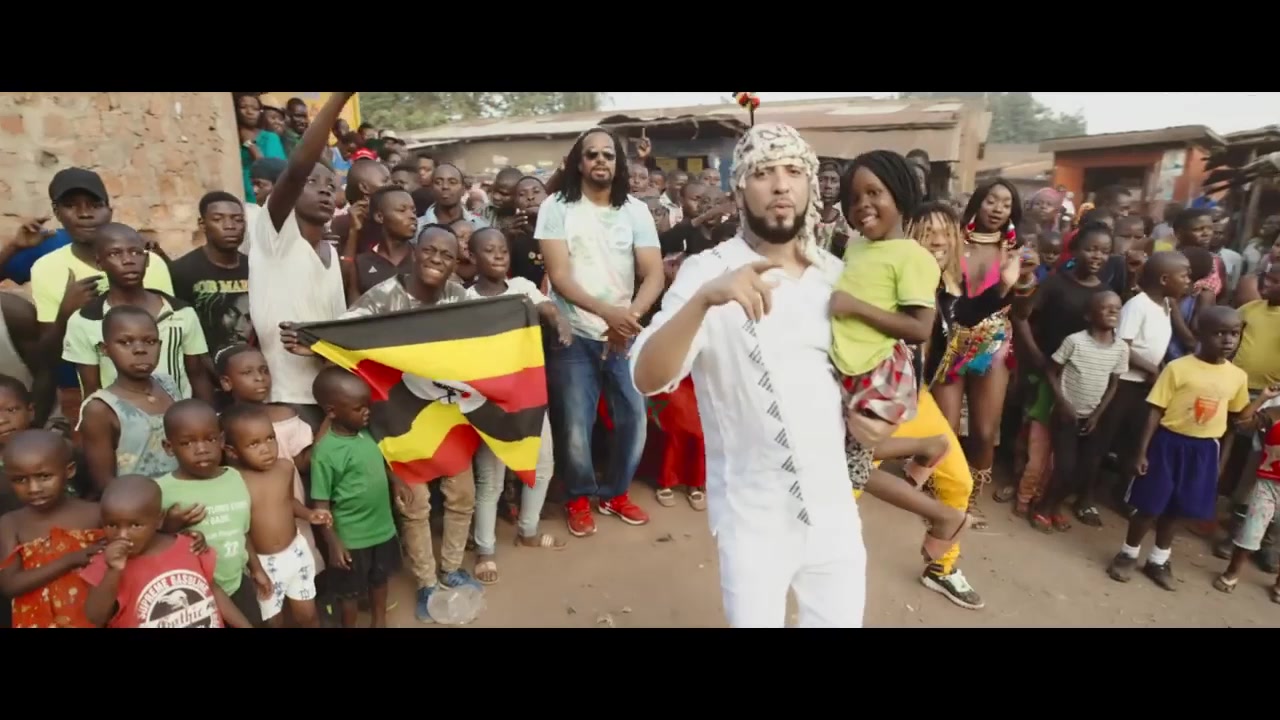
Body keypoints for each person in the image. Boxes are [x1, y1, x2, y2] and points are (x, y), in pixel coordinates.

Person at [630, 122, 866, 628]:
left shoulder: (835, 274)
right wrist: (703, 301)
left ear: (809, 185)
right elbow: (646, 377)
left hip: (834, 511)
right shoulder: (707, 271)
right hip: (751, 517)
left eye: (793, 171)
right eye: (763, 173)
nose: (780, 185)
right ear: (739, 190)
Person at [536, 127, 665, 537]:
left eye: (608, 154)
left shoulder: (635, 211)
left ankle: (615, 493)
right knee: (575, 424)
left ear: (617, 162)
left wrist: (629, 318)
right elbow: (559, 277)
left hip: (623, 335)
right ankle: (578, 498)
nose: (600, 161)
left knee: (634, 419)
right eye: (591, 154)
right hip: (573, 333)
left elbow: (654, 274)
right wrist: (608, 314)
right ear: (579, 162)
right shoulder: (556, 207)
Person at [1107, 306, 1256, 590]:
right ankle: (1128, 554)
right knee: (1148, 505)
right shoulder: (1178, 368)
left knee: (1177, 509)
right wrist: (1142, 451)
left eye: (1234, 334)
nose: (1228, 340)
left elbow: (1234, 423)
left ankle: (1159, 560)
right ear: (1200, 334)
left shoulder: (1237, 377)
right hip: (1168, 443)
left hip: (1204, 450)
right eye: (1219, 333)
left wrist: (1220, 463)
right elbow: (1155, 410)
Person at [828, 150, 938, 491]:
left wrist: (855, 307)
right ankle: (927, 447)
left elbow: (920, 329)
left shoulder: (913, 257)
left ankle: (943, 507)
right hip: (844, 364)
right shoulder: (856, 247)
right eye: (854, 198)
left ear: (900, 193)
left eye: (874, 193)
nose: (862, 204)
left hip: (874, 371)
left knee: (850, 471)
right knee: (834, 454)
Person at [464, 227, 569, 583]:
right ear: (472, 256)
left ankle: (528, 531)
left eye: (503, 250)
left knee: (543, 465)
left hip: (528, 396)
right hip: (487, 401)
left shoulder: (522, 287)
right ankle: (485, 549)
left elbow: (546, 306)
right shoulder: (464, 300)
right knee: (490, 479)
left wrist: (558, 319)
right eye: (489, 250)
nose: (498, 255)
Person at [248, 91, 354, 434]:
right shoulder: (274, 234)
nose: (325, 190)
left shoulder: (330, 254)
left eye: (331, 185)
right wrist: (339, 100)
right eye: (313, 182)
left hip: (331, 399)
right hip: (286, 400)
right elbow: (296, 169)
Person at [930, 179, 1023, 525]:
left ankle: (968, 500)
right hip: (952, 343)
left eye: (1006, 203)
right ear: (978, 203)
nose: (997, 209)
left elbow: (1025, 306)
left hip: (994, 347)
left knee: (984, 432)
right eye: (991, 201)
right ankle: (944, 498)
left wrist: (1022, 284)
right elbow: (946, 299)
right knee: (947, 428)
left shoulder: (1016, 251)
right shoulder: (953, 243)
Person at [1081, 252, 1188, 522]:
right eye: (1184, 275)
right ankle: (1085, 498)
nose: (1188, 280)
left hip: (1145, 387)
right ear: (1164, 279)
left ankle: (1121, 494)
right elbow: (1122, 345)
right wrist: (1152, 369)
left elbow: (1155, 345)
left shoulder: (1165, 305)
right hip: (1124, 384)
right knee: (1102, 441)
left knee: (1133, 444)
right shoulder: (1137, 305)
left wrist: (1158, 366)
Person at [61, 223, 212, 403]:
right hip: (118, 416)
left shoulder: (181, 312)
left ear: (146, 260)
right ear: (99, 263)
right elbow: (91, 389)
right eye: (115, 254)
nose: (128, 260)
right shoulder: (85, 321)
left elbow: (198, 375)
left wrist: (208, 415)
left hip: (177, 415)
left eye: (135, 252)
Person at [81, 474, 251, 628]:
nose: (122, 535)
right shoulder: (104, 563)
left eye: (135, 525)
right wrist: (113, 570)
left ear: (159, 519)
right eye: (112, 525)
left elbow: (214, 591)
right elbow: (96, 617)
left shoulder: (189, 546)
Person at [220, 403, 331, 627]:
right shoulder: (233, 481)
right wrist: (255, 568)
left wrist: (309, 514)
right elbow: (240, 529)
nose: (266, 449)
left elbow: (288, 501)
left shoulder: (284, 468)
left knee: (308, 615)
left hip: (296, 552)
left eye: (270, 438)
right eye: (254, 444)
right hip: (261, 562)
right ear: (232, 451)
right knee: (272, 621)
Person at [309, 368, 404, 628]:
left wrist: (396, 482)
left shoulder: (366, 433)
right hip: (352, 538)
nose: (366, 412)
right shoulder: (326, 452)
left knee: (380, 579)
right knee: (349, 593)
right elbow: (321, 506)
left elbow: (377, 464)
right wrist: (333, 542)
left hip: (382, 529)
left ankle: (379, 621)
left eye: (367, 406)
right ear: (332, 411)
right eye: (358, 408)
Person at [155, 399, 262, 625]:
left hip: (237, 583)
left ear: (221, 440)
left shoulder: (234, 478)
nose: (202, 449)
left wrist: (256, 569)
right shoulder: (161, 490)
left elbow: (242, 531)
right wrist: (170, 526)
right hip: (192, 594)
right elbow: (148, 543)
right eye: (187, 443)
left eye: (210, 439)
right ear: (169, 447)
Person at [1033, 291, 1129, 531]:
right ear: (1089, 315)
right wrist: (1062, 403)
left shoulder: (1120, 348)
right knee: (1064, 467)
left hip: (1092, 418)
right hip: (1066, 416)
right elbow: (1051, 371)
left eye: (1117, 308)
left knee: (1083, 470)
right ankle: (1043, 508)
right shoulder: (1075, 341)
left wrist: (1097, 415)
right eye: (1105, 307)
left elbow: (1114, 384)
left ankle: (1055, 507)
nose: (1113, 311)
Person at [0, 429, 104, 627]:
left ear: (69, 471)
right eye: (20, 480)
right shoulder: (11, 523)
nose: (34, 488)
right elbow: (9, 584)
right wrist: (69, 561)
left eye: (44, 476)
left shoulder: (95, 514)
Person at [77, 307, 181, 490]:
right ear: (105, 349)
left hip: (187, 497)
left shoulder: (168, 385)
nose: (140, 349)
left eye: (150, 341)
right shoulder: (100, 409)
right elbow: (104, 482)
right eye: (125, 342)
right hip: (137, 504)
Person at [1213, 387, 1280, 599]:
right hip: (1269, 484)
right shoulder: (1275, 413)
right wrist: (1263, 397)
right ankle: (1232, 572)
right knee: (1251, 528)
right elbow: (1242, 422)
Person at [171, 192, 253, 363]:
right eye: (218, 219)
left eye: (238, 220)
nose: (230, 226)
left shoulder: (256, 268)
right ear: (202, 224)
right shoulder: (182, 270)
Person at [347, 186, 417, 302]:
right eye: (402, 210)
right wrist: (353, 230)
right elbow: (355, 310)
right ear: (379, 217)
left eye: (413, 211)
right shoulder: (361, 264)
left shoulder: (423, 258)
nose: (412, 216)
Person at [235, 93, 287, 200]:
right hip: (236, 197)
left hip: (258, 201)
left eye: (255, 109)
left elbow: (270, 170)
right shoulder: (232, 137)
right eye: (243, 107)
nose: (249, 112)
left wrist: (249, 143)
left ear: (260, 112)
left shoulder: (269, 138)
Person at [417, 163, 490, 232]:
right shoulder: (417, 228)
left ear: (463, 189)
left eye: (452, 182)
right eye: (438, 182)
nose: (445, 186)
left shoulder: (480, 227)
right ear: (431, 189)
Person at [814, 160, 853, 256]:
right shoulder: (804, 217)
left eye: (834, 181)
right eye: (822, 180)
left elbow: (839, 256)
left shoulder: (842, 223)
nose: (828, 186)